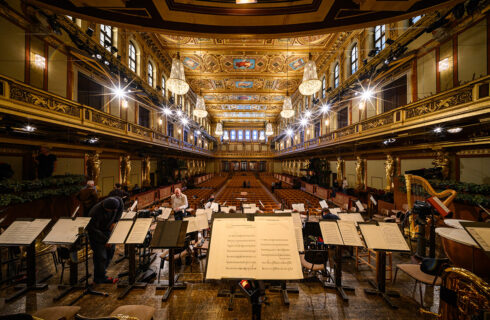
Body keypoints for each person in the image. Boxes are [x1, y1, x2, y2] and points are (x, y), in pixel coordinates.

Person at [86, 197, 124, 284]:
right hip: (96, 234)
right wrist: (105, 241)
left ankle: (102, 272)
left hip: (108, 230)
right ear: (105, 207)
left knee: (110, 252)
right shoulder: (94, 212)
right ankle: (99, 278)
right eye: (110, 211)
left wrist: (115, 221)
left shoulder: (117, 201)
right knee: (101, 257)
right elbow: (92, 229)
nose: (113, 212)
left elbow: (121, 205)